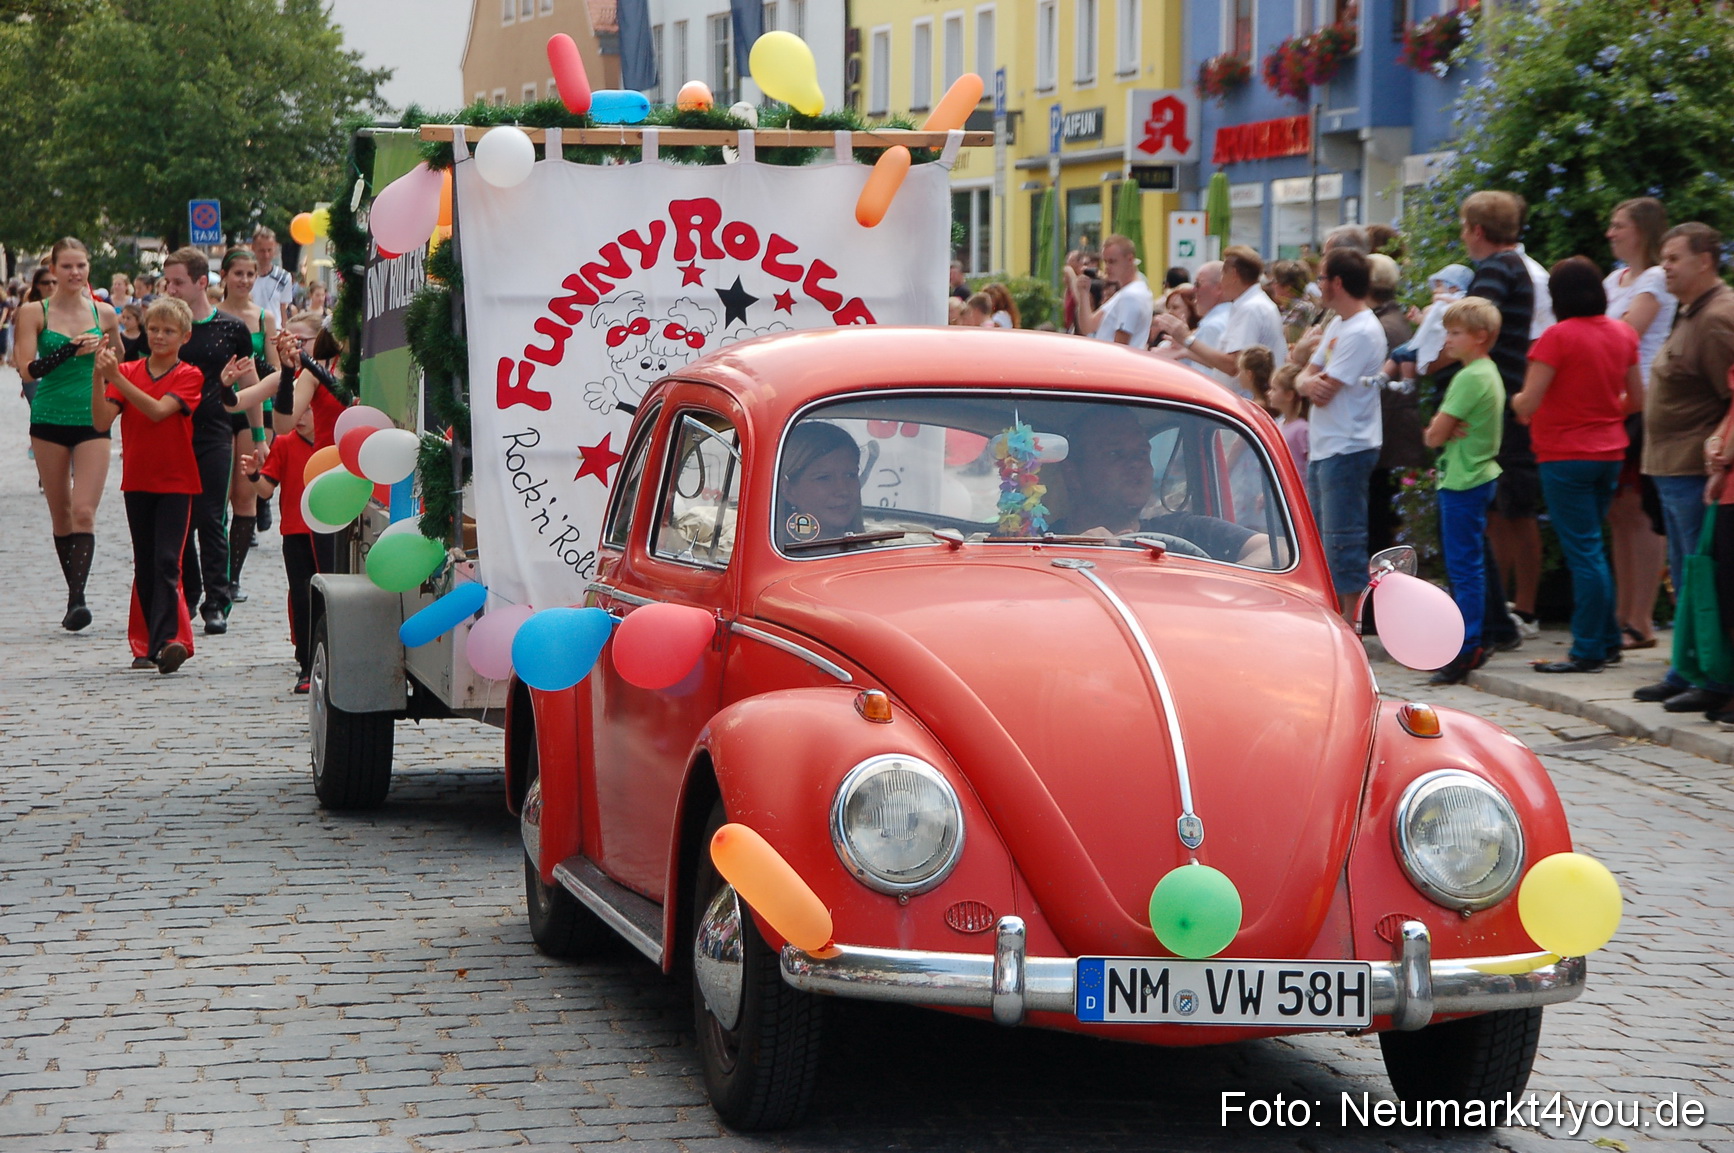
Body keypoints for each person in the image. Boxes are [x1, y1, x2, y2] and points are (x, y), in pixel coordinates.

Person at [1509, 257, 1642, 673]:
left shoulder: (1556, 337)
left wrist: (1514, 402)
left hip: (1564, 454)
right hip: (1610, 452)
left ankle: (1587, 649)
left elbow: (1528, 401)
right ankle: (1606, 639)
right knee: (1593, 547)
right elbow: (1637, 399)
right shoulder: (1622, 333)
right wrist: (1602, 414)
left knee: (1583, 552)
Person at [1633, 223, 1734, 715]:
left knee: (1702, 576)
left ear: (1705, 260)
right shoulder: (1691, 311)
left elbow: (1729, 397)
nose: (1665, 267)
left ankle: (1710, 673)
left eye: (1674, 258)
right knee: (1685, 574)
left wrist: (1721, 452)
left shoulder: (1718, 316)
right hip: (1671, 467)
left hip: (1697, 469)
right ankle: (1686, 668)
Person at [1431, 191, 1539, 646]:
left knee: (1485, 529)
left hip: (1481, 416)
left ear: (1476, 230)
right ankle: (1496, 620)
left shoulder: (1496, 270)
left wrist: (1429, 360)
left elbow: (1478, 321)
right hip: (1501, 399)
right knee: (1493, 519)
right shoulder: (1518, 267)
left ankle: (1483, 631)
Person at [87, 298, 204, 673]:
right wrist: (98, 376)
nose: (158, 336)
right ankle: (146, 643)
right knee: (146, 563)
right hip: (137, 479)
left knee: (169, 560)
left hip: (177, 480)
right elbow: (101, 420)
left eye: (168, 331)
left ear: (184, 336)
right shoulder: (130, 370)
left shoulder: (189, 375)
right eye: (154, 329)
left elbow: (157, 411)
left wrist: (117, 378)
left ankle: (168, 641)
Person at [13, 238, 123, 631]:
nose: (75, 273)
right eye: (67, 267)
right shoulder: (33, 312)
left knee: (84, 510)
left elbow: (121, 362)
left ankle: (79, 599)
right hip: (49, 416)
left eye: (81, 266)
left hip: (93, 418)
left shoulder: (104, 312)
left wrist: (108, 366)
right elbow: (27, 369)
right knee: (60, 513)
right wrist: (68, 352)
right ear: (53, 270)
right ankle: (72, 593)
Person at [160, 246, 261, 635]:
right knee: (178, 517)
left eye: (178, 282)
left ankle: (217, 599)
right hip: (172, 433)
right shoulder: (164, 327)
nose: (171, 288)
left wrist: (257, 435)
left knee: (210, 516)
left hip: (215, 432)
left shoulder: (231, 329)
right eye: (168, 281)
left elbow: (250, 384)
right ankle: (188, 590)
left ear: (202, 282)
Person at [1052, 410, 1275, 564]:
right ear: (1073, 474)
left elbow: (1277, 549)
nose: (1136, 464)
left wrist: (1224, 583)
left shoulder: (1187, 531)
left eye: (1141, 453)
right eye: (1115, 454)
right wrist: (1079, 551)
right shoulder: (1042, 542)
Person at [1603, 197, 1676, 650]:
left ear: (1642, 231)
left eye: (1619, 225)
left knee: (1640, 512)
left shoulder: (1653, 279)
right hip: (1614, 402)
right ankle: (1622, 614)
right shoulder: (1616, 279)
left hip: (1645, 400)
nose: (1611, 233)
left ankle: (1641, 617)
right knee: (1618, 512)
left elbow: (1627, 333)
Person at [1295, 248, 1385, 616]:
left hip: (1348, 445)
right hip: (1327, 444)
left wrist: (1307, 382)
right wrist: (1305, 382)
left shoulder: (1362, 330)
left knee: (1343, 539)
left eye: (1321, 279)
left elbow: (1323, 388)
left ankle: (1351, 619)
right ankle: (1335, 612)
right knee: (1322, 539)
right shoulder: (1338, 323)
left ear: (1337, 283)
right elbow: (1303, 375)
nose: (1318, 286)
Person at [1422, 297, 1506, 685]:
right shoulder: (1488, 372)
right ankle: (1483, 633)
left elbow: (1434, 434)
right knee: (1473, 560)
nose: (1448, 339)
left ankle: (1466, 643)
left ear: (1480, 337)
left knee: (1463, 566)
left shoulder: (1469, 376)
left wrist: (1439, 429)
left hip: (1462, 478)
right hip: (1479, 473)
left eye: (1456, 333)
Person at [241, 401, 330, 694]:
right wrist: (255, 475)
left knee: (327, 599)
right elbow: (267, 489)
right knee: (302, 598)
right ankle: (306, 664)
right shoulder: (284, 443)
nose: (299, 417)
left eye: (307, 409)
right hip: (295, 533)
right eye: (295, 410)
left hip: (329, 532)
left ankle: (329, 656)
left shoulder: (333, 444)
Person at [215, 247, 282, 600]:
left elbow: (273, 368)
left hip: (256, 405)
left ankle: (232, 577)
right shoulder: (212, 315)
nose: (243, 280)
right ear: (224, 276)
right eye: (237, 273)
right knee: (219, 493)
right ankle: (214, 569)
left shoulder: (263, 318)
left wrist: (256, 367)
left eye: (250, 274)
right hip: (218, 407)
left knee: (244, 495)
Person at [1152, 245, 1286, 379]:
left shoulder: (1250, 308)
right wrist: (1185, 350)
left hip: (1243, 398)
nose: (1221, 281)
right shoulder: (1252, 304)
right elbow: (1226, 363)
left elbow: (1233, 366)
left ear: (1233, 274)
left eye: (1223, 273)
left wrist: (1187, 339)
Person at [1367, 253, 1424, 555]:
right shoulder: (1395, 320)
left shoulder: (1381, 326)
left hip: (1388, 437)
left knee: (1379, 528)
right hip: (1396, 433)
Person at [778, 421, 864, 545]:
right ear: (789, 490)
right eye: (824, 478)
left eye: (850, 475)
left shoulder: (880, 556)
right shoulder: (768, 560)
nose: (843, 490)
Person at [1067, 234, 1153, 348]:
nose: (1107, 267)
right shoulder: (1129, 292)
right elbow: (1088, 326)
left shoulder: (1130, 296)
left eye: (1112, 261)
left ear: (1130, 259)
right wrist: (1083, 294)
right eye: (1105, 262)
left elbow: (1120, 346)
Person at [250, 226, 295, 326]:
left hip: (274, 333)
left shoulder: (284, 278)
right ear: (253, 248)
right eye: (262, 251)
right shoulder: (245, 277)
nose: (266, 255)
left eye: (269, 250)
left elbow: (283, 310)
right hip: (251, 332)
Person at [1269, 363, 1310, 471]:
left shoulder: (1303, 429)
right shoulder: (1280, 424)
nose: (1269, 393)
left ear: (1289, 395)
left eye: (1274, 389)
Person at [1268, 260, 1317, 344]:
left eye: (1275, 281)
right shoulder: (1285, 307)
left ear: (1288, 287)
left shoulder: (1301, 308)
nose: (1272, 285)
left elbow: (1284, 337)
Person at [1238, 345, 1275, 413]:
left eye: (1240, 370)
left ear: (1249, 374)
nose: (1238, 376)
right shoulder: (1267, 402)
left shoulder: (1256, 407)